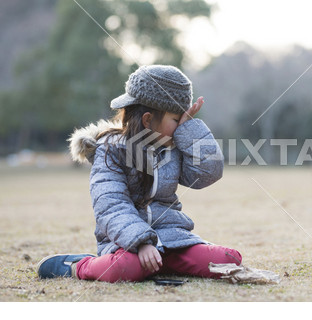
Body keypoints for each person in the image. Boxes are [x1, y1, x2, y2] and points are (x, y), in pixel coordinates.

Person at [36, 65, 242, 283]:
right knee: (125, 269)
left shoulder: (173, 147)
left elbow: (208, 172)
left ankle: (158, 264)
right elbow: (111, 205)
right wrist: (141, 242)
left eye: (185, 120)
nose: (182, 125)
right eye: (177, 120)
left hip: (172, 239)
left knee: (229, 260)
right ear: (147, 120)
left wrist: (189, 130)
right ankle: (79, 266)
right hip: (127, 243)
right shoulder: (111, 150)